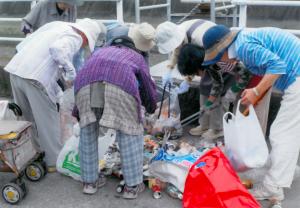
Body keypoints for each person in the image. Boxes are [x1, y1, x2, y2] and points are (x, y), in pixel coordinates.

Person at [202, 25, 300, 201]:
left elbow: (278, 66)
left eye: (217, 58)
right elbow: (271, 69)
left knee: (282, 134)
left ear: (223, 48)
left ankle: (272, 187)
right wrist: (257, 94)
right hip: (295, 76)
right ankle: (285, 172)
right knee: (289, 132)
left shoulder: (243, 47)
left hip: (297, 77)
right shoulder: (243, 42)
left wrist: (255, 92)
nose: (219, 63)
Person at [4, 18, 102, 171]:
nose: (83, 46)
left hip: (16, 70)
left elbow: (23, 44)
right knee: (48, 120)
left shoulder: (55, 26)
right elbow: (57, 50)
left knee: (27, 119)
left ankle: (30, 155)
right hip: (36, 77)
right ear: (85, 36)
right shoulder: (75, 36)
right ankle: (53, 161)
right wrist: (70, 73)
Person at [74, 34, 157, 198]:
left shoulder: (98, 52)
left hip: (84, 88)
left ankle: (90, 183)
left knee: (88, 131)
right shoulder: (136, 56)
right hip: (118, 88)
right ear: (132, 47)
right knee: (129, 132)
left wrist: (79, 113)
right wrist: (151, 107)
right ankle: (131, 187)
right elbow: (147, 86)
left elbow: (82, 75)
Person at [156, 20, 250, 139]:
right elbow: (181, 54)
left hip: (223, 58)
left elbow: (225, 81)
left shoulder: (204, 43)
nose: (198, 76)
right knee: (206, 88)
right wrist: (171, 69)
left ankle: (217, 128)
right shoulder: (182, 37)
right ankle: (204, 124)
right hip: (211, 62)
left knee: (220, 95)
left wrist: (232, 92)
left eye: (196, 73)